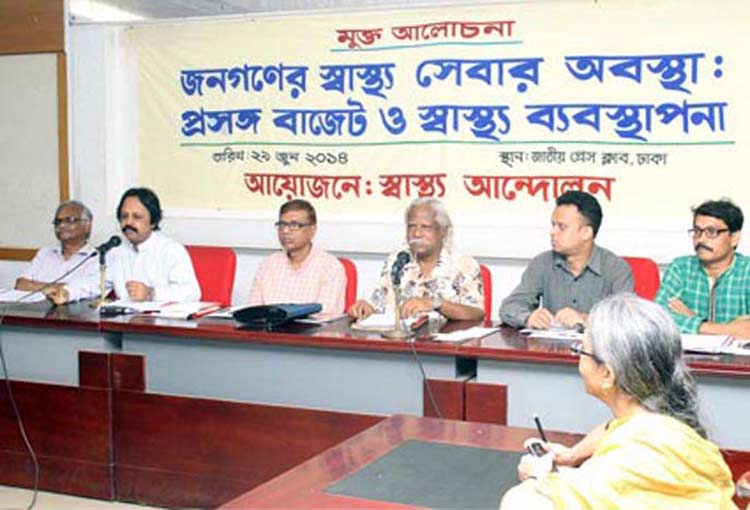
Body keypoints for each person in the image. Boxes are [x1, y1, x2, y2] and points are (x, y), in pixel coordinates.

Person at [500, 293, 738, 510]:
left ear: (608, 375)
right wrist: (572, 456)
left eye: (581, 349)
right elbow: (612, 430)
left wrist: (540, 479)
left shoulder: (630, 462)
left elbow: (522, 503)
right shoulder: (666, 427)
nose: (578, 357)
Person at [499, 191, 633, 329]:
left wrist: (586, 319)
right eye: (553, 225)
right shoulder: (542, 263)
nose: (552, 232)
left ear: (586, 233)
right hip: (550, 343)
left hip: (596, 343)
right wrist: (528, 318)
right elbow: (508, 307)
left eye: (562, 227)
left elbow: (628, 321)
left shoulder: (616, 269)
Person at [349, 198, 484, 321]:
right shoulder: (398, 259)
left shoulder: (463, 264)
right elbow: (377, 302)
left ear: (443, 231)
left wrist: (435, 303)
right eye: (412, 226)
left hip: (445, 339)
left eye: (425, 227)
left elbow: (477, 313)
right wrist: (365, 308)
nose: (417, 233)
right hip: (402, 338)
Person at [655, 199, 750, 336]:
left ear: (734, 238)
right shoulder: (681, 268)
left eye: (711, 232)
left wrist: (692, 319)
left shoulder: (747, 271)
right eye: (697, 231)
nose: (701, 239)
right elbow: (657, 320)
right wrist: (726, 329)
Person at [248, 199, 346, 314]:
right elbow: (253, 312)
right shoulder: (268, 264)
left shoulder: (330, 267)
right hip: (267, 325)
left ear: (312, 230)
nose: (285, 231)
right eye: (282, 225)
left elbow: (324, 316)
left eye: (294, 225)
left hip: (310, 326)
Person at [15, 200, 100, 302]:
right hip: (33, 309)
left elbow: (86, 289)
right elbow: (21, 284)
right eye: (58, 222)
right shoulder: (45, 253)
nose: (61, 225)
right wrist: (51, 288)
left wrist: (37, 286)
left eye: (69, 220)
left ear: (87, 225)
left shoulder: (97, 258)